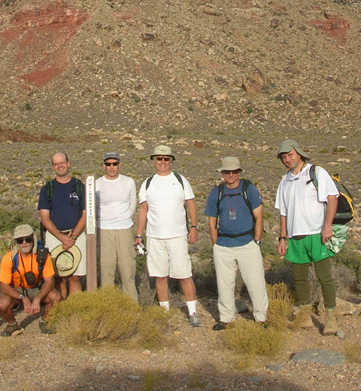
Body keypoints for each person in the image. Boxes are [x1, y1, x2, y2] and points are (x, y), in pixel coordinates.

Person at [275, 139, 340, 335]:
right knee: (300, 278)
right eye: (284, 157)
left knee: (324, 277)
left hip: (316, 233)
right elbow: (283, 212)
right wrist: (283, 237)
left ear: (299, 154)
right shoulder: (284, 181)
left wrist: (327, 226)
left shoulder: (316, 173)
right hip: (295, 237)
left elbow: (332, 198)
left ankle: (330, 317)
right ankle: (305, 313)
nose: (288, 159)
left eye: (290, 155)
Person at [135, 144, 201, 327]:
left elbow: (191, 204)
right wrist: (139, 235)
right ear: (154, 161)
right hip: (155, 237)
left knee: (184, 275)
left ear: (170, 161)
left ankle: (193, 312)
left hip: (178, 236)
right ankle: (164, 312)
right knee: (160, 275)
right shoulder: (148, 184)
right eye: (159, 159)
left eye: (166, 159)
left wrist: (194, 227)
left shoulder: (180, 180)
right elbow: (143, 210)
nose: (162, 162)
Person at [204, 157, 268, 330]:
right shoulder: (216, 193)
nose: (230, 175)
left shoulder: (249, 189)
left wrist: (257, 240)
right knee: (224, 284)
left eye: (234, 171)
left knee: (255, 282)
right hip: (223, 245)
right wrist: (215, 245)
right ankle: (226, 318)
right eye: (227, 172)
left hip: (247, 243)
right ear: (222, 173)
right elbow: (211, 222)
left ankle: (261, 317)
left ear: (239, 172)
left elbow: (259, 216)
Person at [0, 224, 61, 336]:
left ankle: (45, 321)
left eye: (28, 239)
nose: (24, 243)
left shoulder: (42, 255)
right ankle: (12, 324)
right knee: (2, 304)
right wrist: (23, 298)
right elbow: (4, 286)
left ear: (33, 239)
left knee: (56, 297)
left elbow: (50, 282)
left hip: (36, 287)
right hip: (17, 289)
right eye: (20, 240)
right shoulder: (9, 258)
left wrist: (37, 299)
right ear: (16, 242)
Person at [37, 151, 86, 299]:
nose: (60, 166)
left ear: (68, 163)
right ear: (53, 167)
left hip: (77, 235)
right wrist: (62, 238)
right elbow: (45, 219)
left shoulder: (79, 187)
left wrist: (73, 236)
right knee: (59, 277)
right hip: (54, 237)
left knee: (75, 276)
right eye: (56, 164)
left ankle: (75, 311)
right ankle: (61, 311)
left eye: (62, 162)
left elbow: (85, 215)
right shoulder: (47, 189)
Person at [95, 151, 138, 301]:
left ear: (119, 165)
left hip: (124, 228)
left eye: (114, 164)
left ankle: (132, 307)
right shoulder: (97, 183)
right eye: (108, 164)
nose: (111, 167)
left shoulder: (128, 181)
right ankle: (108, 307)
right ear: (103, 166)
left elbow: (133, 204)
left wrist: (124, 218)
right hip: (104, 229)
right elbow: (94, 207)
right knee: (106, 269)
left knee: (127, 269)